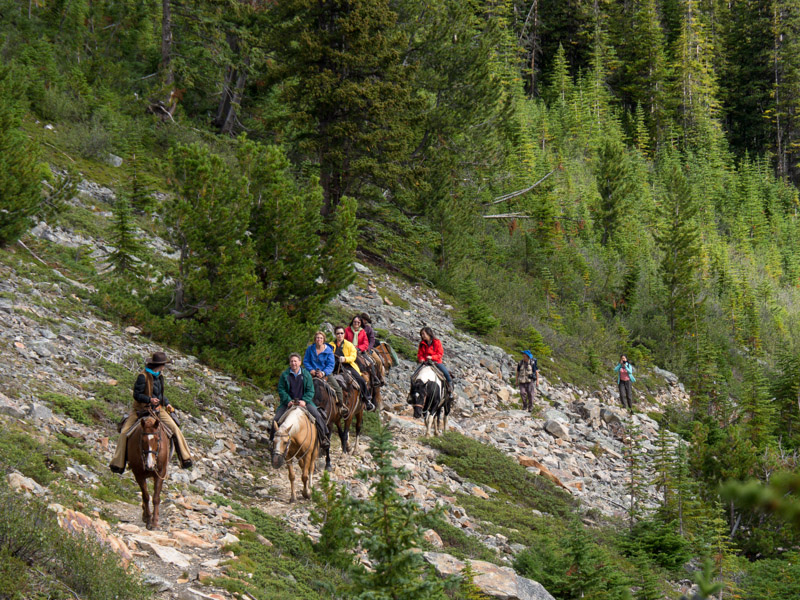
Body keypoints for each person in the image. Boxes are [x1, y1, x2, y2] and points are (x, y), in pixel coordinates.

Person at [110, 351, 193, 474]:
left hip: (158, 409)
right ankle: (118, 463)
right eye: (163, 364)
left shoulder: (159, 376)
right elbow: (136, 395)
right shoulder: (142, 377)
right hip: (141, 410)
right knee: (124, 433)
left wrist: (167, 403)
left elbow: (160, 395)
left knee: (175, 429)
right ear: (158, 365)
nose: (164, 367)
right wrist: (149, 399)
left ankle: (185, 458)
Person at [274, 353, 330, 450]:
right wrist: (288, 400)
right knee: (276, 419)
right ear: (289, 363)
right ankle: (273, 442)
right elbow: (281, 390)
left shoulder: (306, 374)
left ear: (300, 362)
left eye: (295, 361)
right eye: (291, 361)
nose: (293, 363)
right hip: (288, 402)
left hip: (304, 402)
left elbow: (310, 390)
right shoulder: (285, 375)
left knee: (317, 416)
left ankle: (323, 438)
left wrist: (304, 400)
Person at [331, 326, 375, 411]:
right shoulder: (331, 345)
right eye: (338, 333)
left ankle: (367, 400)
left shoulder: (349, 345)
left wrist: (345, 359)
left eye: (341, 333)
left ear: (344, 334)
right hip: (334, 367)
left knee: (360, 380)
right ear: (335, 334)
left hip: (347, 366)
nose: (340, 335)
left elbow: (353, 356)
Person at [303, 331, 344, 409]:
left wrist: (323, 372)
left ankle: (341, 407)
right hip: (311, 372)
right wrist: (311, 370)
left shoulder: (328, 350)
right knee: (300, 384)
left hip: (325, 373)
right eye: (317, 338)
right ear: (315, 339)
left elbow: (331, 364)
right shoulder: (310, 349)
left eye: (321, 338)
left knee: (337, 388)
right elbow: (306, 361)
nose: (319, 339)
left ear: (324, 339)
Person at [417, 326, 453, 396]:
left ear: (429, 333)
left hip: (436, 362)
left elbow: (440, 354)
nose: (422, 336)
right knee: (414, 376)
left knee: (446, 373)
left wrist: (432, 357)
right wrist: (421, 359)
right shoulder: (422, 344)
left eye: (423, 334)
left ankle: (450, 389)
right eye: (421, 334)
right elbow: (420, 354)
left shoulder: (437, 342)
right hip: (425, 363)